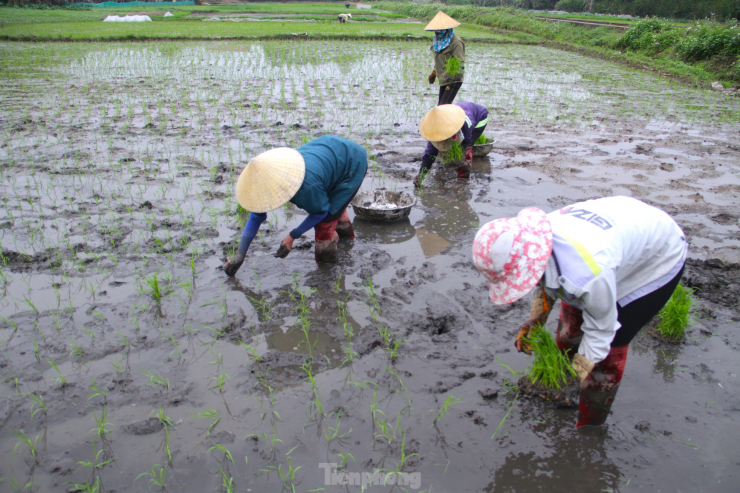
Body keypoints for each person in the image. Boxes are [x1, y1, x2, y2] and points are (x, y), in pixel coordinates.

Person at [472, 196, 688, 426]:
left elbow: (602, 331)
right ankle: (564, 382)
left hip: (657, 256)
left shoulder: (586, 275)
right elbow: (546, 276)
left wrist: (574, 377)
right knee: (570, 330)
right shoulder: (537, 239)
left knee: (609, 350)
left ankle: (590, 425)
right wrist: (535, 320)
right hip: (618, 235)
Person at [224, 135, 367, 277]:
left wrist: (292, 236)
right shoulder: (262, 185)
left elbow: (320, 213)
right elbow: (255, 218)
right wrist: (239, 256)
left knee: (325, 224)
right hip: (327, 157)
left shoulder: (304, 186)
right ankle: (347, 239)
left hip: (352, 162)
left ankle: (327, 274)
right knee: (334, 206)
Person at [414, 102, 488, 187]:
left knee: (466, 152)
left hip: (480, 117)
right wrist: (420, 176)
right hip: (454, 114)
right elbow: (429, 155)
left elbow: (466, 143)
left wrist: (460, 159)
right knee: (438, 151)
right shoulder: (435, 132)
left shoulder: (466, 125)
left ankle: (462, 181)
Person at [424, 11, 465, 105]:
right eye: (436, 30)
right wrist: (434, 73)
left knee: (442, 107)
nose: (437, 32)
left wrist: (450, 80)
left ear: (446, 29)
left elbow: (459, 64)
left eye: (439, 30)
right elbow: (440, 60)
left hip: (453, 80)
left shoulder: (456, 42)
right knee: (442, 107)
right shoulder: (438, 42)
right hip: (443, 79)